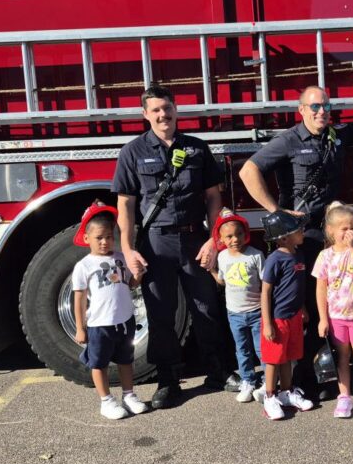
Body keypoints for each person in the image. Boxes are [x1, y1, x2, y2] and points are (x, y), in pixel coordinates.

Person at [239, 85, 353, 397]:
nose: (321, 112)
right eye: (314, 107)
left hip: (329, 240)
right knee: (301, 308)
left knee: (326, 308)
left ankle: (319, 370)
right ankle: (301, 381)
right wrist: (277, 212)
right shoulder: (288, 140)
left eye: (326, 106)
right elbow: (248, 171)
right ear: (300, 110)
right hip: (300, 239)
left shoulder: (335, 134)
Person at [113, 85, 234, 410]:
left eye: (167, 109)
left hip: (196, 239)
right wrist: (127, 249)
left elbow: (213, 197)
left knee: (207, 308)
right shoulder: (133, 152)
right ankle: (168, 380)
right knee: (161, 314)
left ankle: (218, 372)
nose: (163, 115)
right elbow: (125, 205)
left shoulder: (196, 148)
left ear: (176, 109)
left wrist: (214, 239)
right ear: (145, 115)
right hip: (156, 243)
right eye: (156, 111)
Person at [71, 202, 150, 420]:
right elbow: (79, 299)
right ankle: (106, 401)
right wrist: (80, 327)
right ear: (87, 239)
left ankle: (129, 395)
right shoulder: (84, 266)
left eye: (109, 236)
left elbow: (131, 285)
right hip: (99, 324)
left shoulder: (121, 258)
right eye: (99, 238)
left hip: (125, 320)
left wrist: (139, 274)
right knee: (99, 363)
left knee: (126, 360)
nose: (105, 242)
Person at [313, 202, 353, 421]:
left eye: (352, 227)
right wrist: (323, 318)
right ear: (330, 231)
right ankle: (344, 396)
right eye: (343, 228)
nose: (349, 231)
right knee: (342, 357)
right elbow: (321, 288)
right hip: (336, 318)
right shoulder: (325, 256)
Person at [260, 211, 316, 421]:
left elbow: (297, 286)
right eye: (297, 230)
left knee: (288, 357)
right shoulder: (274, 259)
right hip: (277, 319)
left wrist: (302, 307)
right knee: (273, 359)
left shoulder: (298, 255)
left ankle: (286, 392)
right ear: (283, 237)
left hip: (294, 317)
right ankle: (269, 396)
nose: (302, 232)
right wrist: (267, 323)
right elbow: (265, 292)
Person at [210, 209, 265, 403]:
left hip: (257, 312)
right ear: (222, 239)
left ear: (246, 233)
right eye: (230, 236)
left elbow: (265, 283)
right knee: (242, 350)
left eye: (239, 234)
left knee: (261, 349)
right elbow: (223, 281)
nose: (235, 239)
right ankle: (248, 381)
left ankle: (267, 382)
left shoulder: (256, 255)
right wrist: (211, 270)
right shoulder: (222, 257)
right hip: (234, 314)